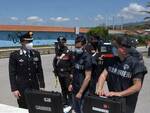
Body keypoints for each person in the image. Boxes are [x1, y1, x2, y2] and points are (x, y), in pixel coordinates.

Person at [96, 36, 147, 113]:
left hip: (126, 105)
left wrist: (119, 94)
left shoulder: (135, 64)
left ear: (123, 49)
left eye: (116, 47)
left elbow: (137, 86)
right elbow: (103, 75)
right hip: (112, 101)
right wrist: (99, 88)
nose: (113, 49)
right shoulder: (112, 61)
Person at [9, 31, 45, 109]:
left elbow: (39, 71)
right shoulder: (15, 55)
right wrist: (14, 89)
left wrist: (41, 85)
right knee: (23, 108)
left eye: (31, 41)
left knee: (35, 107)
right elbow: (12, 74)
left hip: (35, 87)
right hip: (22, 88)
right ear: (22, 42)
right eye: (28, 41)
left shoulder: (36, 54)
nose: (30, 43)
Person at [68, 35, 92, 113]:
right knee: (76, 109)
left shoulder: (87, 58)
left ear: (84, 45)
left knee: (83, 110)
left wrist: (80, 92)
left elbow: (88, 77)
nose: (77, 49)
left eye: (79, 47)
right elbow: (74, 71)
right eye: (76, 47)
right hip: (75, 88)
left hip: (83, 91)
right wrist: (71, 83)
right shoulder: (76, 55)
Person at [53, 36, 73, 106]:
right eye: (59, 42)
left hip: (67, 74)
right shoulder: (58, 52)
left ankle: (71, 103)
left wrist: (72, 73)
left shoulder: (68, 52)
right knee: (63, 89)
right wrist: (55, 71)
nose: (60, 43)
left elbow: (72, 64)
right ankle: (65, 101)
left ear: (65, 42)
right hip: (60, 74)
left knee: (69, 89)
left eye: (62, 42)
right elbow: (55, 62)